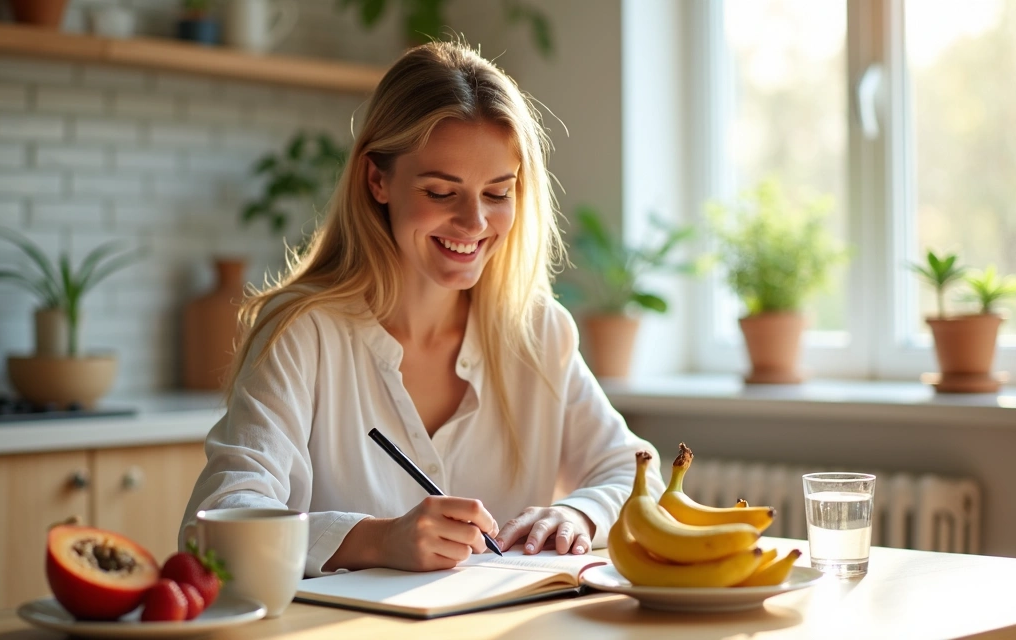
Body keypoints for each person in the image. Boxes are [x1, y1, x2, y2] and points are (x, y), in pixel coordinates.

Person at [180, 40, 663, 577]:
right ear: (378, 180)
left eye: (498, 193)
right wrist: (376, 540)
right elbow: (215, 525)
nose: (475, 223)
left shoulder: (538, 332)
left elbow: (633, 471)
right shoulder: (304, 332)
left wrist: (580, 512)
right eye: (440, 192)